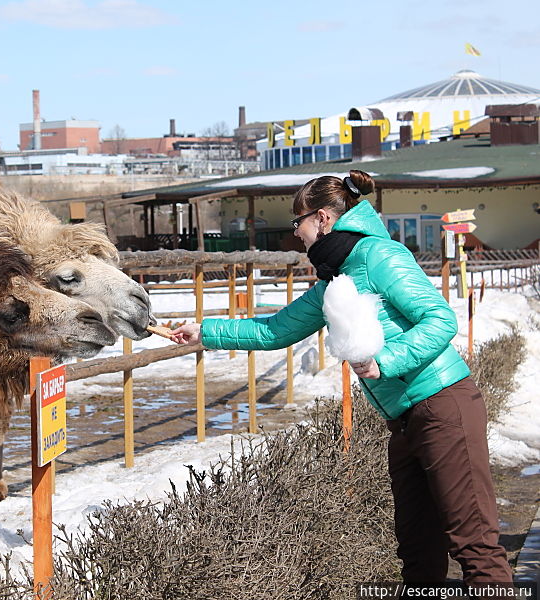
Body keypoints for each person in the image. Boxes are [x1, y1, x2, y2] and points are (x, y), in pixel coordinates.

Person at [171, 170, 512, 586]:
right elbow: (274, 331)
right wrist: (204, 332)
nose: (295, 233)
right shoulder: (336, 279)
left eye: (298, 222)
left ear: (323, 219)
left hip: (444, 406)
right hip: (405, 420)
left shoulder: (378, 256)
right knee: (417, 549)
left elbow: (440, 319)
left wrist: (385, 359)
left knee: (473, 543)